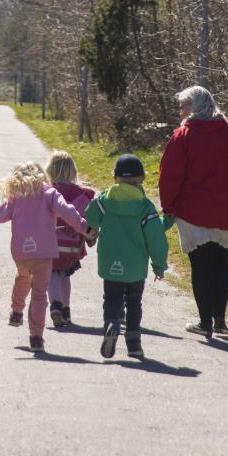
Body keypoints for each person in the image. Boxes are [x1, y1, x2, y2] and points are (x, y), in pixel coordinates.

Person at [158, 84, 228, 338]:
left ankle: (204, 322)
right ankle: (220, 321)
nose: (181, 112)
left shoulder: (183, 136)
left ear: (195, 107)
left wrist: (168, 207)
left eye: (184, 106)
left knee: (200, 266)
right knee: (221, 263)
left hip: (194, 213)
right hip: (226, 212)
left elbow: (169, 176)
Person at [0, 160, 90, 351]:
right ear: (42, 175)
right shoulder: (49, 193)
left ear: (16, 178)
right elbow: (67, 211)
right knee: (39, 295)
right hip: (44, 253)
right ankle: (36, 338)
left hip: (21, 253)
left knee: (23, 277)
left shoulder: (15, 196)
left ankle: (17, 310)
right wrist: (83, 227)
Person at [84, 154, 169, 360]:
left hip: (110, 261)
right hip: (135, 267)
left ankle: (111, 323)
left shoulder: (105, 199)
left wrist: (93, 228)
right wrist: (159, 265)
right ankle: (134, 345)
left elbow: (90, 214)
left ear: (115, 178)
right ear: (142, 178)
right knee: (134, 302)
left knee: (111, 298)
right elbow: (156, 238)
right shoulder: (145, 207)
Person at [45, 151, 97, 329]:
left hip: (50, 243)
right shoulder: (81, 195)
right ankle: (66, 310)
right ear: (73, 172)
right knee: (65, 275)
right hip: (72, 246)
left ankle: (56, 306)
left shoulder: (47, 192)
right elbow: (88, 218)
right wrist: (90, 237)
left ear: (50, 171)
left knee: (51, 274)